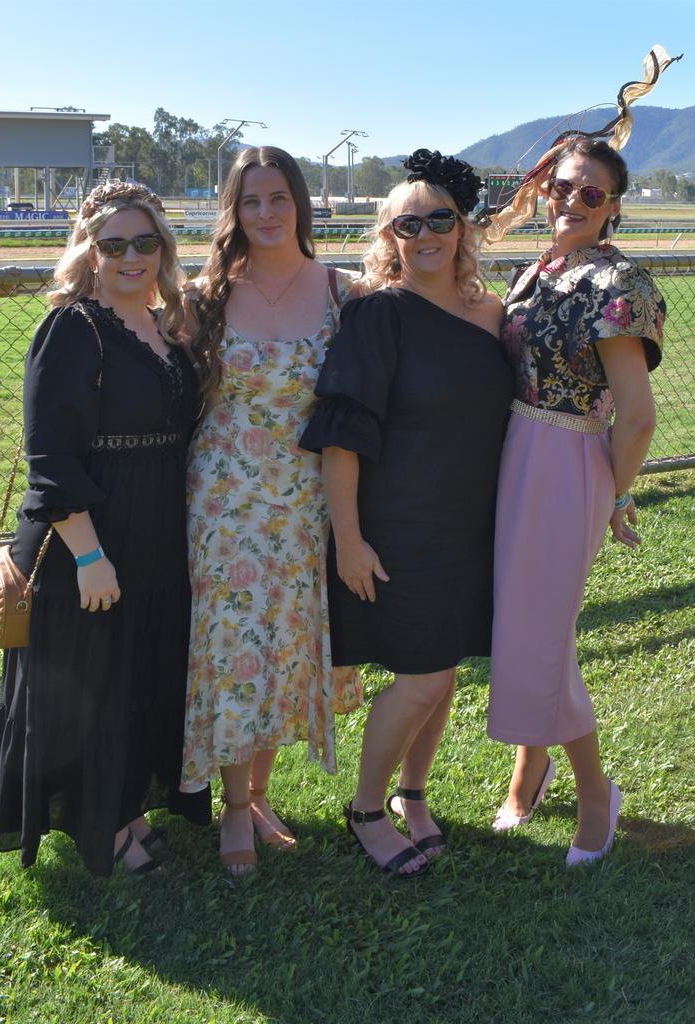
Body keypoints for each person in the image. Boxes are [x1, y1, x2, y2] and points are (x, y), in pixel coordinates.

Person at [300, 149, 514, 877]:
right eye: (407, 223)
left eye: (439, 220)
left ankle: (412, 794)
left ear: (463, 227)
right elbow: (341, 439)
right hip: (399, 527)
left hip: (471, 525)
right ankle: (365, 809)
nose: (424, 234)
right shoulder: (378, 314)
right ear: (389, 235)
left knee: (445, 668)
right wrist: (350, 541)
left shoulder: (492, 312)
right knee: (421, 675)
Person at [0, 181, 210, 878]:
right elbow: (51, 455)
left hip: (155, 524)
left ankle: (127, 806)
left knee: (138, 672)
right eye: (113, 244)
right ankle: (101, 826)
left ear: (164, 250)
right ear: (88, 251)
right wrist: (90, 555)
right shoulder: (72, 328)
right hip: (88, 528)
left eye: (146, 242)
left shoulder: (164, 324)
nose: (131, 257)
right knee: (91, 680)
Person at [181, 146, 362, 874]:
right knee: (231, 644)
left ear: (300, 205)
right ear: (234, 209)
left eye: (277, 198)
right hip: (224, 499)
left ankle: (258, 792)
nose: (264, 213)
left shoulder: (343, 292)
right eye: (250, 200)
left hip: (305, 501)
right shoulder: (205, 296)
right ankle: (230, 811)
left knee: (284, 640)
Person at [486, 137, 665, 865]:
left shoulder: (616, 282)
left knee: (541, 633)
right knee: (524, 624)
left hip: (565, 460)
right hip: (516, 452)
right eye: (562, 187)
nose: (571, 201)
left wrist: (613, 494)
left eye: (591, 194)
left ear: (614, 207)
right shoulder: (543, 268)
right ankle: (531, 765)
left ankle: (596, 793)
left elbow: (639, 414)